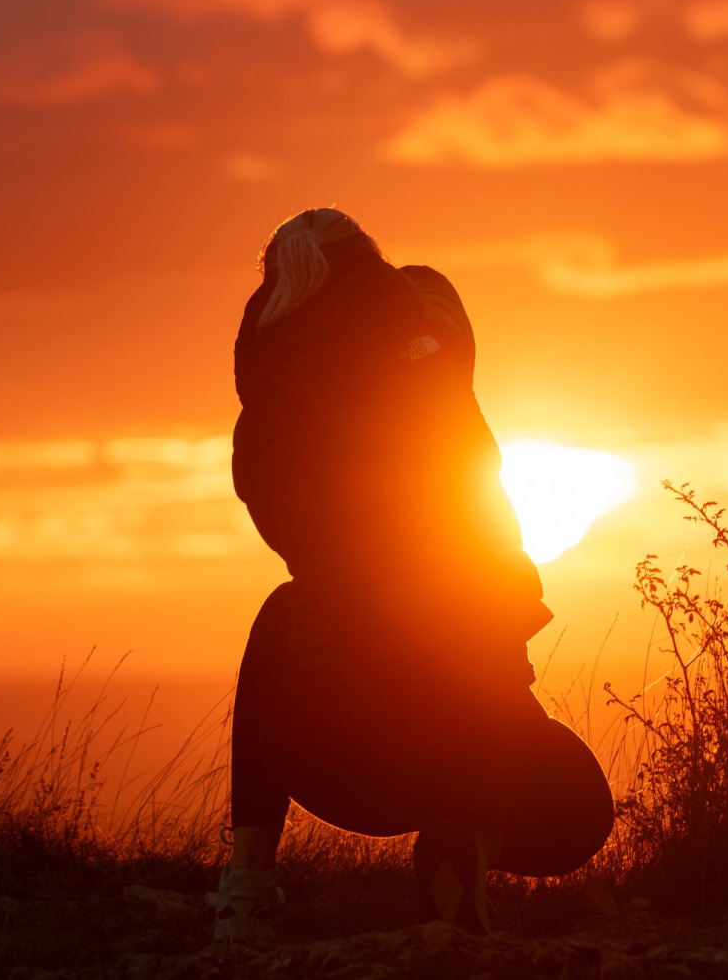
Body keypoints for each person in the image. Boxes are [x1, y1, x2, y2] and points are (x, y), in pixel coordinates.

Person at [214, 207, 614, 944]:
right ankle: (474, 835)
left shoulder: (267, 428)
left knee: (281, 612)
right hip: (458, 728)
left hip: (327, 755)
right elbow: (436, 314)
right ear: (371, 276)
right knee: (582, 806)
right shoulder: (433, 371)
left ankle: (246, 883)